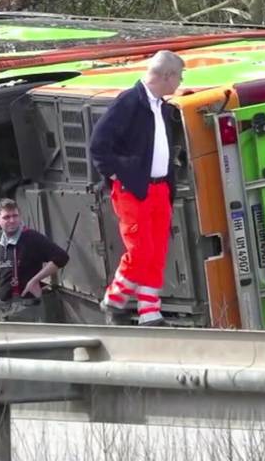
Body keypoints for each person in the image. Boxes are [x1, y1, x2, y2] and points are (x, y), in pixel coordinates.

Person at [89, 50, 184, 326]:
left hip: (159, 189)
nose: (179, 82)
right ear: (166, 76)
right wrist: (120, 173)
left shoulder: (161, 106)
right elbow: (98, 144)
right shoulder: (128, 103)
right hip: (135, 190)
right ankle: (114, 298)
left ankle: (149, 310)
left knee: (156, 251)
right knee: (140, 249)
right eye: (178, 76)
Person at [0, 198, 70, 322]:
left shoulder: (31, 237)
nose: (12, 220)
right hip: (6, 308)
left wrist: (35, 280)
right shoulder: (2, 241)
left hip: (27, 306)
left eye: (15, 216)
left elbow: (61, 257)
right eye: (6, 217)